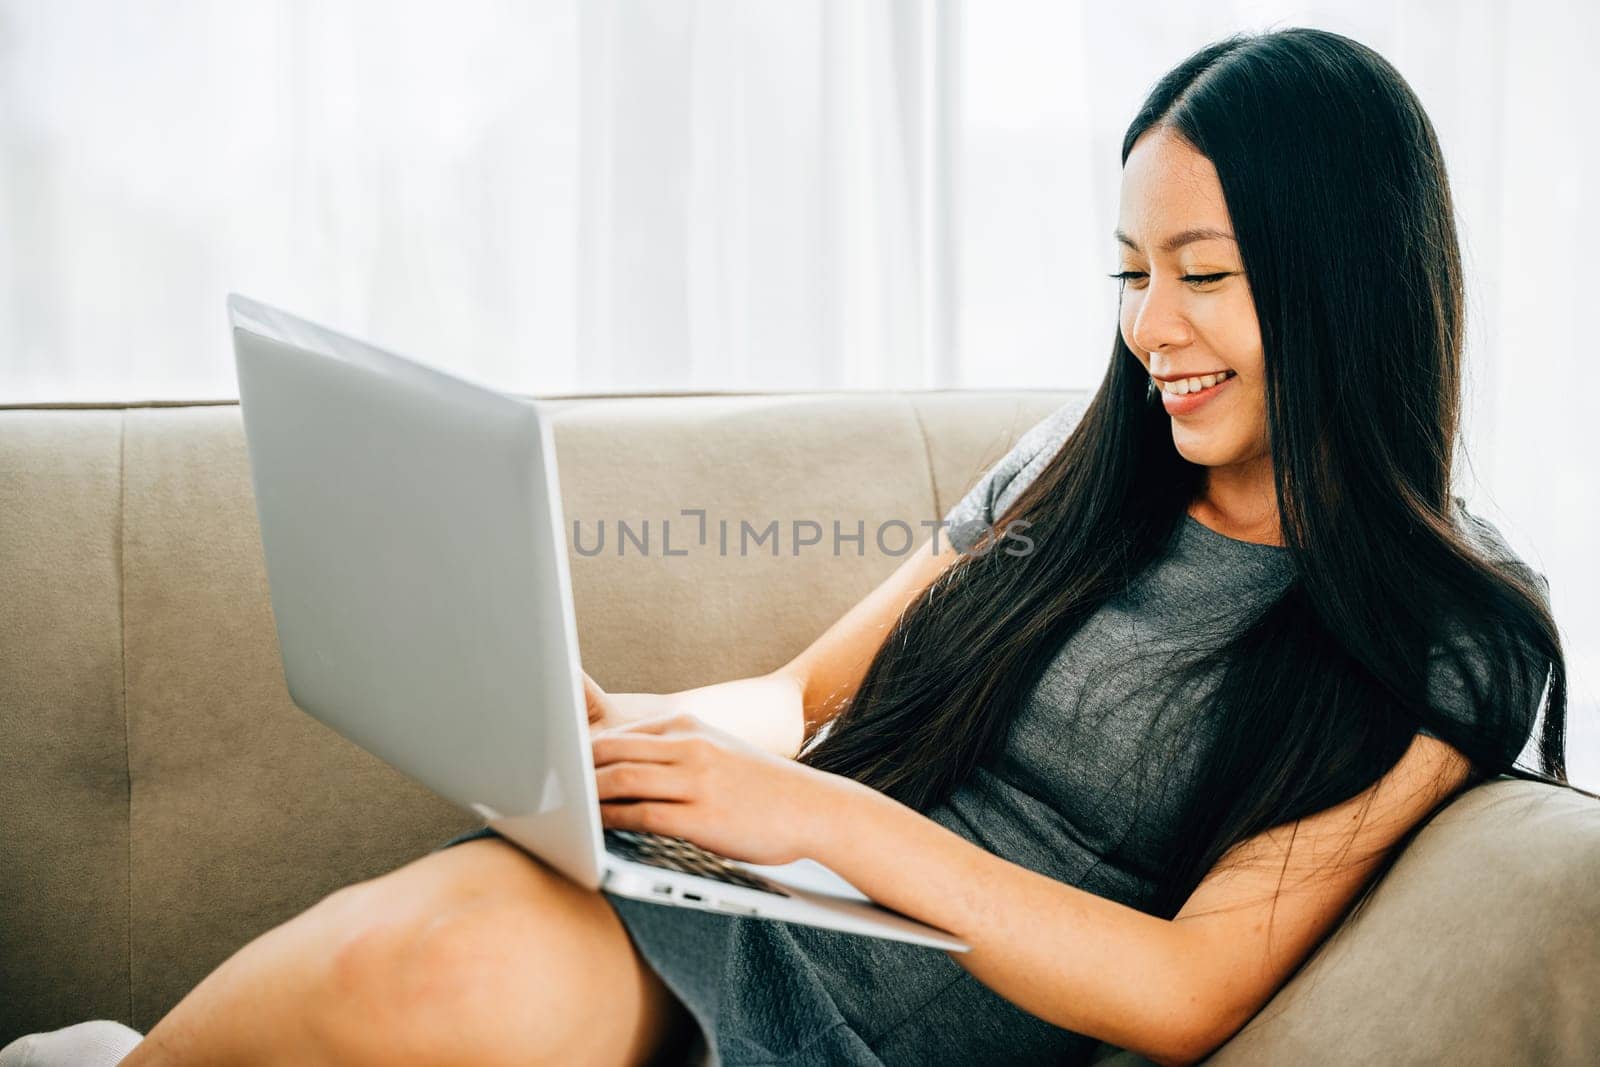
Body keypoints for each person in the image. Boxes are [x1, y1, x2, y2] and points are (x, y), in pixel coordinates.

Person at [14, 25, 1579, 1067]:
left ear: (1347, 280)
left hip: (903, 1001)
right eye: (1125, 271)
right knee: (445, 948)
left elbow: (1187, 996)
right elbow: (811, 684)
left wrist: (808, 818)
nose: (1147, 330)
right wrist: (658, 740)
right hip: (771, 889)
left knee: (450, 975)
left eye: (1203, 273)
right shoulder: (1084, 457)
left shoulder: (1450, 635)